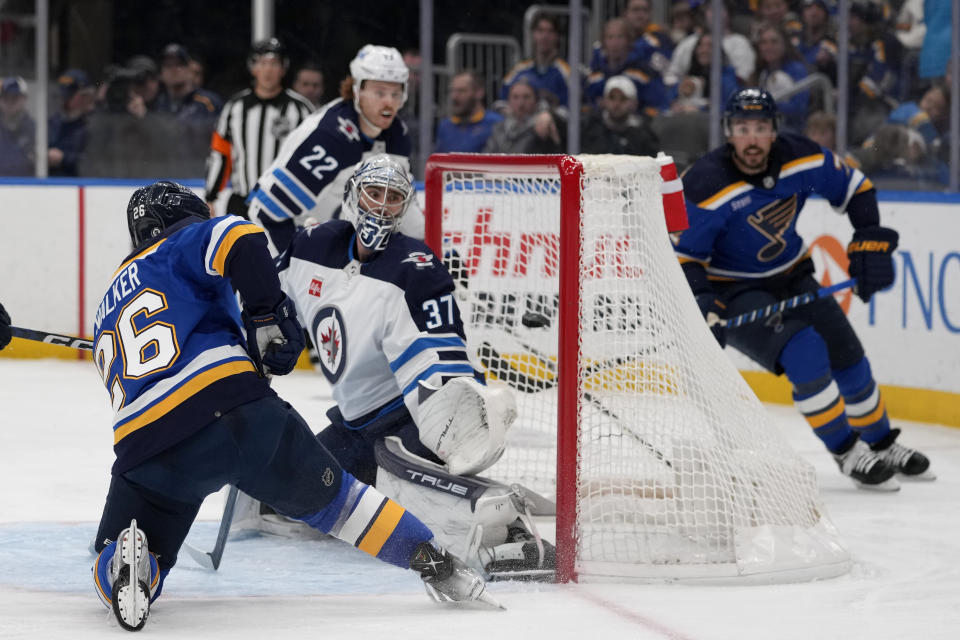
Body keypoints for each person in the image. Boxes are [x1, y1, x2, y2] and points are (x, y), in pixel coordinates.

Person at [88, 180, 499, 630]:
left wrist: (253, 336)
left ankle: (132, 564)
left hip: (148, 448)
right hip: (236, 410)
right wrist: (265, 315)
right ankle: (433, 562)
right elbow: (241, 237)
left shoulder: (107, 301)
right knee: (340, 504)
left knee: (119, 546)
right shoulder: (181, 242)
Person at [261, 155, 554, 581]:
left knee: (404, 486)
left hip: (407, 422)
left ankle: (504, 523)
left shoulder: (416, 268)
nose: (381, 206)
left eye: (394, 198)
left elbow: (441, 352)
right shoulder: (311, 246)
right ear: (353, 195)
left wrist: (451, 416)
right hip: (354, 426)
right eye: (373, 193)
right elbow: (267, 305)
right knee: (284, 493)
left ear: (404, 208)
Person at [674, 88, 934, 491]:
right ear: (729, 132)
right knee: (806, 352)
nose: (753, 138)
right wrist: (702, 302)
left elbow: (856, 187)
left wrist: (869, 236)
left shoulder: (800, 156)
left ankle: (882, 443)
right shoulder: (706, 182)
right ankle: (848, 453)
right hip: (734, 291)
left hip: (792, 274)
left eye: (761, 128)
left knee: (848, 355)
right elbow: (686, 256)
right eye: (743, 128)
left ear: (774, 130)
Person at [247, 44, 414, 256]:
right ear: (357, 90)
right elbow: (267, 212)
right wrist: (292, 270)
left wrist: (430, 251)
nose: (389, 102)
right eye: (379, 92)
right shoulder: (331, 136)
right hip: (304, 247)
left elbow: (404, 212)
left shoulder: (396, 134)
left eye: (396, 93)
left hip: (343, 253)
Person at [205, 38, 314, 218]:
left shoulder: (301, 110)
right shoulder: (234, 108)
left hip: (286, 202)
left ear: (283, 69)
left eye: (274, 63)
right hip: (242, 202)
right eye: (263, 63)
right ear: (253, 68)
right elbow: (220, 153)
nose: (268, 69)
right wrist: (211, 196)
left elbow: (310, 156)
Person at [500, 13, 571, 108]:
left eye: (550, 31)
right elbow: (502, 100)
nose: (545, 36)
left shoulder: (567, 71)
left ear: (557, 36)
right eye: (540, 31)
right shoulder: (520, 69)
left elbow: (572, 109)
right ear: (533, 34)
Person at [581, 75, 659, 156]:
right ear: (604, 100)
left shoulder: (644, 135)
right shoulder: (589, 128)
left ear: (634, 103)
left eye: (623, 99)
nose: (616, 104)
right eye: (612, 98)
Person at [483, 78, 565, 154]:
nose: (520, 103)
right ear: (508, 100)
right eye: (515, 97)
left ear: (536, 100)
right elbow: (487, 156)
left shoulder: (544, 123)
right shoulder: (499, 128)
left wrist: (549, 114)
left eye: (526, 97)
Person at [434, 70, 503, 153]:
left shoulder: (496, 123)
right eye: (452, 91)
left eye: (461, 91)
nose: (454, 96)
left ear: (479, 93)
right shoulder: (445, 126)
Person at [48, 69, 96, 177]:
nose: (65, 100)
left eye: (71, 96)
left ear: (87, 95)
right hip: (52, 185)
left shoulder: (95, 124)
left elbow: (96, 163)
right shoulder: (52, 123)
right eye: (64, 96)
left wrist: (64, 158)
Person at [0, 76, 36, 176]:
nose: (9, 102)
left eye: (14, 97)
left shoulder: (34, 129)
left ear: (24, 98)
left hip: (27, 187)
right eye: (5, 97)